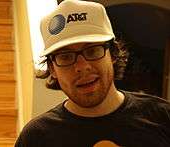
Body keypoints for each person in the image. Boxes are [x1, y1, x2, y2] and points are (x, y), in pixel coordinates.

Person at [15, 0, 170, 146]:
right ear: (52, 69)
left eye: (92, 50)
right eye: (65, 56)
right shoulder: (36, 138)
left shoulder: (163, 118)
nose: (82, 67)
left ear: (113, 54)